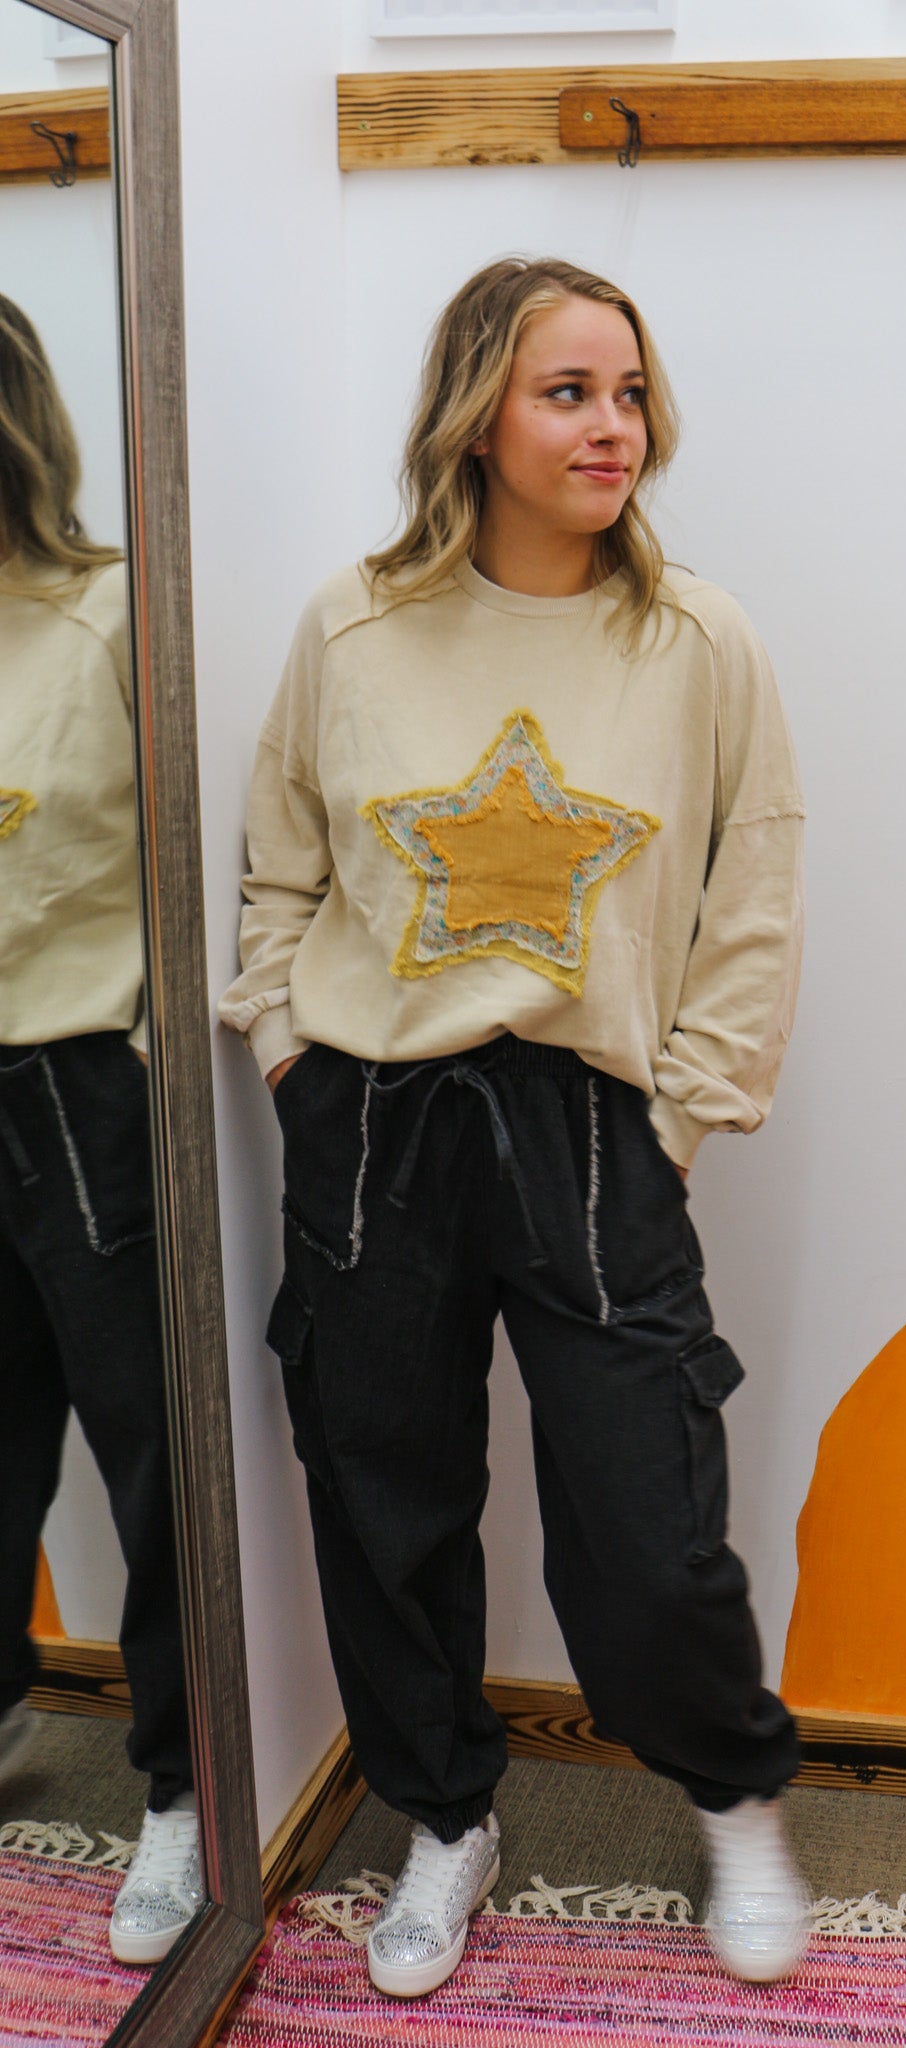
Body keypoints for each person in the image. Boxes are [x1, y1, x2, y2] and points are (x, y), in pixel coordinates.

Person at [220, 256, 808, 1999]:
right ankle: (445, 1812)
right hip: (373, 1118)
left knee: (646, 1514)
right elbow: (279, 865)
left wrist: (683, 1116)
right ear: (476, 413)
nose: (612, 427)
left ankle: (731, 1795)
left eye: (628, 393)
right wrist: (290, 1056)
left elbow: (754, 891)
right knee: (381, 1492)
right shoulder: (351, 625)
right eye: (568, 392)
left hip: (595, 1125)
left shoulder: (694, 638)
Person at [0, 294, 199, 1962]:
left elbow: (189, 858)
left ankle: (189, 1788)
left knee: (152, 1458)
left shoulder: (111, 609)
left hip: (80, 1086)